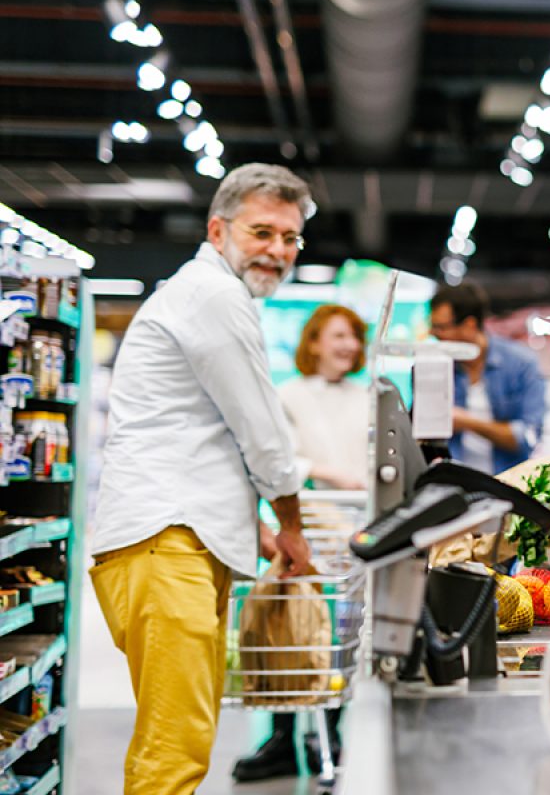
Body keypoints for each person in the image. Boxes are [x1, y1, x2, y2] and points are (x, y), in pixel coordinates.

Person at [90, 163, 315, 794]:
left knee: (177, 738)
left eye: (290, 238)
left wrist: (260, 528)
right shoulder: (214, 295)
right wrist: (291, 525)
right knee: (175, 749)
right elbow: (262, 429)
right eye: (262, 231)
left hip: (175, 541)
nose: (277, 250)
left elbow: (206, 436)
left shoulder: (203, 293)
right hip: (167, 546)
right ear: (219, 230)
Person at [232, 304, 368, 782]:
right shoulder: (287, 395)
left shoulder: (368, 395)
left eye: (354, 336)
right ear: (313, 342)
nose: (348, 345)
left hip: (359, 531)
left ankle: (326, 732)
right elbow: (284, 458)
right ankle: (282, 738)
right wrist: (335, 475)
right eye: (337, 336)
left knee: (342, 639)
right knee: (291, 631)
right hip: (306, 527)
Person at [429, 281, 546, 474]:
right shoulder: (434, 368)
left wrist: (467, 422)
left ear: (469, 325)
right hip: (450, 485)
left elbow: (528, 437)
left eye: (441, 327)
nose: (435, 334)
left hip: (508, 486)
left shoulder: (521, 365)